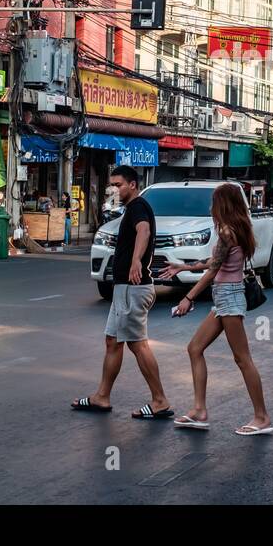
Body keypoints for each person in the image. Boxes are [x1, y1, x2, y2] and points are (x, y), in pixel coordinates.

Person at [166, 183, 273, 436]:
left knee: (242, 359)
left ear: (222, 204)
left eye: (214, 202)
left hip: (230, 298)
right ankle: (199, 411)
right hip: (224, 299)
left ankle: (262, 417)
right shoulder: (236, 229)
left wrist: (188, 298)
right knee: (195, 349)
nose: (211, 207)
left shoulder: (227, 232)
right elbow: (213, 262)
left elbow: (213, 269)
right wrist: (184, 267)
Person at [70, 165, 171, 420]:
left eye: (118, 185)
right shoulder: (132, 208)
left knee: (137, 344)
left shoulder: (138, 206)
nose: (114, 189)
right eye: (112, 185)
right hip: (123, 288)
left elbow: (144, 231)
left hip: (133, 288)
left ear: (133, 185)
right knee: (112, 342)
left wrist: (137, 260)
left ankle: (160, 401)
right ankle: (102, 396)